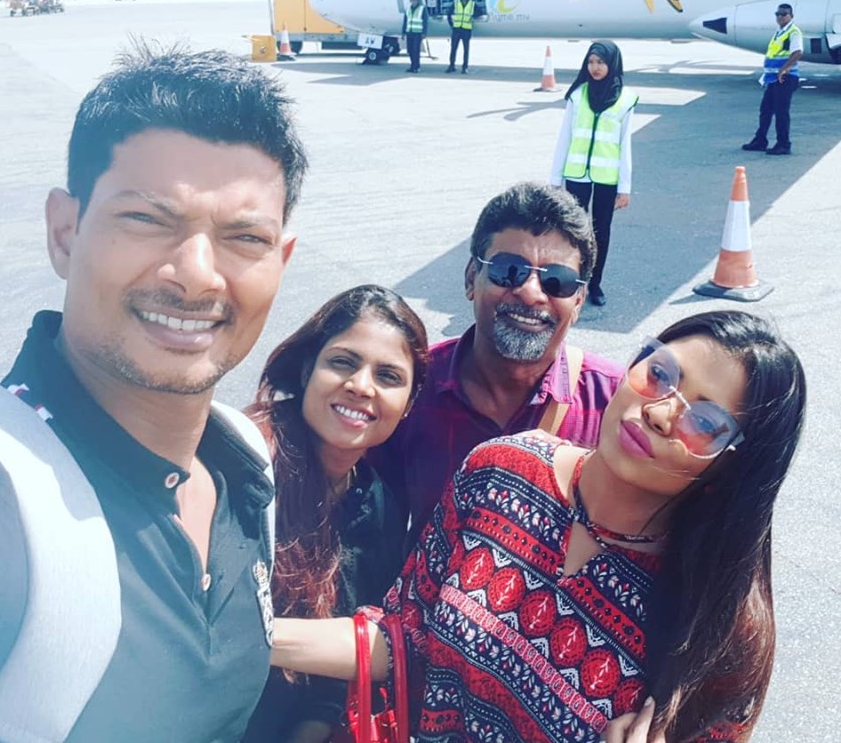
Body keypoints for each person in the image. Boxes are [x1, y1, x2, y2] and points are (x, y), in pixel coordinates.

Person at [271, 310, 807, 743]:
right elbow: (406, 633)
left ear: (731, 466)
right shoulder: (502, 469)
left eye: (705, 422)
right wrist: (253, 637)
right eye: (660, 374)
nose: (661, 413)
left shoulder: (720, 626)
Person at [0, 46, 307, 742]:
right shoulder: (1, 501)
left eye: (244, 236)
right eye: (145, 219)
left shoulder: (243, 464)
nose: (196, 275)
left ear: (280, 261)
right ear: (64, 232)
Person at [370, 182, 624, 550]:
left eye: (557, 281)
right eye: (509, 270)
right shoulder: (411, 385)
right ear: (471, 279)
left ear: (579, 300)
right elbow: (373, 529)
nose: (531, 293)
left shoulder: (615, 404)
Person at [243, 285, 429, 743]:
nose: (361, 385)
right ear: (308, 369)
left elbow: (344, 661)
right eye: (343, 362)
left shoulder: (376, 503)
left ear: (408, 404)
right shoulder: (244, 472)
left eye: (388, 376)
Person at [549, 40, 637, 308]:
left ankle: (594, 283)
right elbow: (564, 138)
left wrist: (625, 187)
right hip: (576, 174)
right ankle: (572, 280)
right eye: (591, 62)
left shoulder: (626, 99)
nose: (595, 68)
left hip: (607, 178)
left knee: (601, 232)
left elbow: (625, 145)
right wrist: (555, 179)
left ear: (612, 64)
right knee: (573, 230)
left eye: (601, 62)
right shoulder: (577, 95)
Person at [742, 3, 803, 155]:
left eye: (784, 14)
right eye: (778, 14)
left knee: (781, 112)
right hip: (773, 78)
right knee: (766, 110)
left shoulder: (793, 32)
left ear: (791, 16)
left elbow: (797, 52)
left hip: (785, 78)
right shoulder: (779, 32)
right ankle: (760, 140)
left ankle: (784, 144)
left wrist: (784, 69)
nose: (780, 17)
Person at [446, 0, 476, 73]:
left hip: (466, 30)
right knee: (453, 49)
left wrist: (473, 16)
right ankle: (451, 66)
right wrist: (451, 24)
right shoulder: (456, 3)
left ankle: (465, 67)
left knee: (466, 50)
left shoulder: (472, 4)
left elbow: (480, 12)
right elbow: (449, 13)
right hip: (456, 29)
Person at [401, 0, 428, 73]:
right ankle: (412, 66)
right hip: (409, 32)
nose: (414, 2)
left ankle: (417, 67)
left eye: (415, 0)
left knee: (416, 50)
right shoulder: (408, 9)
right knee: (410, 50)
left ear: (417, 1)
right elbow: (405, 22)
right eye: (412, 0)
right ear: (410, 1)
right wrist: (403, 32)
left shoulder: (422, 9)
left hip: (417, 33)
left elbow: (425, 21)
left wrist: (424, 32)